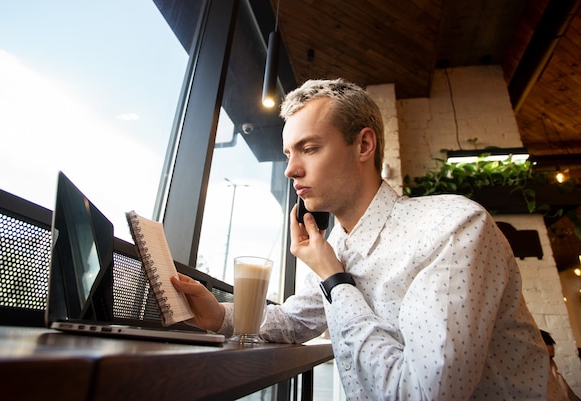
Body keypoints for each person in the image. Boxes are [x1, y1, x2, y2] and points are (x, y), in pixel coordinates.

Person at [172, 78, 565, 400]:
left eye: (309, 148)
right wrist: (221, 315)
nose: (291, 169)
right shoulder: (338, 245)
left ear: (363, 145)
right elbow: (293, 320)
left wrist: (334, 280)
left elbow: (424, 395)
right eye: (289, 153)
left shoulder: (453, 225)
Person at [541, 330, 581, 401]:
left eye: (551, 359)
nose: (555, 367)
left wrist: (565, 395)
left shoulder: (559, 382)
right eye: (545, 360)